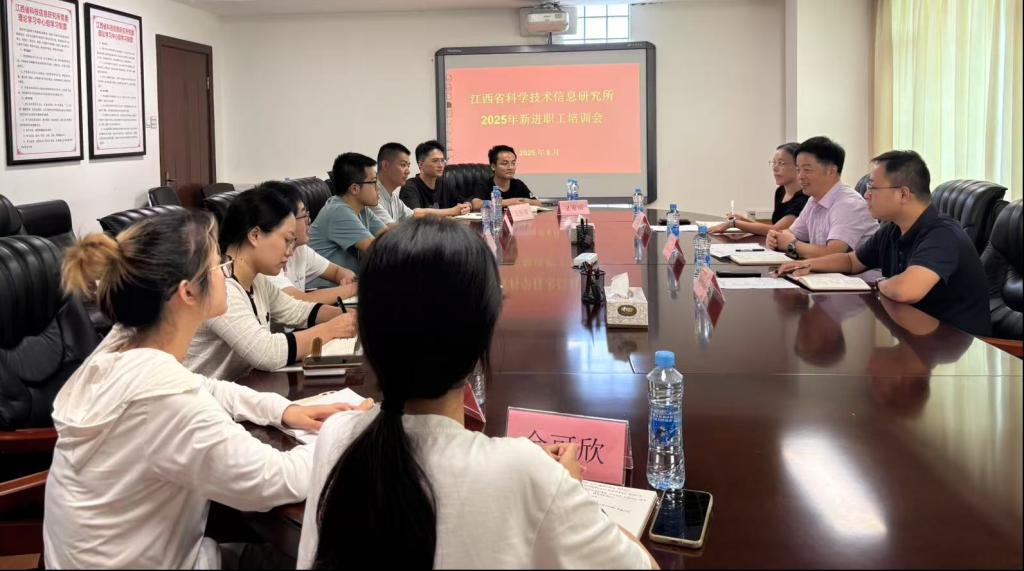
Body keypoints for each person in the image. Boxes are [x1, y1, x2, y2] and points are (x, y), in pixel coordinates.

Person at [296, 217, 658, 569]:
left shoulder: (338, 437)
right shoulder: (525, 473)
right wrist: (570, 491)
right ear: (483, 335)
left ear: (365, 331)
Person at [44, 209, 371, 569]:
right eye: (218, 266)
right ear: (187, 292)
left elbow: (205, 386)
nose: (227, 273)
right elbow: (275, 479)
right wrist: (346, 432)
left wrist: (283, 410)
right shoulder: (165, 401)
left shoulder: (122, 345)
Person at [774, 150, 991, 336]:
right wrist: (808, 265)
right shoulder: (893, 229)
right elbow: (852, 261)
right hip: (916, 334)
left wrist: (878, 284)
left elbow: (906, 290)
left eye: (873, 188)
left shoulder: (942, 234)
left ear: (903, 194)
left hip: (956, 344)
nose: (866, 195)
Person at [185, 189, 357, 382]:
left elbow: (296, 310)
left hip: (241, 387)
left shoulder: (257, 281)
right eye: (287, 240)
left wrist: (347, 316)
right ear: (255, 235)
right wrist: (332, 329)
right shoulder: (222, 286)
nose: (290, 252)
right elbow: (267, 352)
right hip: (202, 397)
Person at [766, 136, 878, 258]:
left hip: (858, 271)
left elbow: (834, 254)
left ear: (831, 171)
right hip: (821, 269)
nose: (800, 176)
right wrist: (775, 237)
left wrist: (792, 244)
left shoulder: (849, 204)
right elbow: (791, 233)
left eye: (807, 170)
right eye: (798, 170)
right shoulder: (813, 200)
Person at [263, 181, 358, 305]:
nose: (309, 220)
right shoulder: (267, 260)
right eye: (303, 215)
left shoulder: (300, 249)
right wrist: (353, 288)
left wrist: (348, 280)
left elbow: (337, 271)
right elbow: (299, 301)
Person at [309, 152, 389, 275]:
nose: (378, 187)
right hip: (328, 285)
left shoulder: (362, 209)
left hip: (348, 282)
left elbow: (389, 237)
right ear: (355, 189)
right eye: (373, 182)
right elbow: (379, 251)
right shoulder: (337, 211)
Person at [710, 142, 807, 235]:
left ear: (798, 166)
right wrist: (743, 220)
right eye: (774, 162)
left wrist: (734, 224)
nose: (775, 168)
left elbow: (777, 230)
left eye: (781, 163)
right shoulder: (781, 191)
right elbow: (772, 227)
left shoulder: (804, 197)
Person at [371, 142, 468, 223]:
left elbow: (412, 216)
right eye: (403, 165)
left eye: (408, 166)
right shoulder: (372, 196)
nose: (408, 171)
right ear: (386, 165)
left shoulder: (393, 197)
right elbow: (390, 231)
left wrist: (466, 206)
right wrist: (451, 211)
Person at [399, 140, 470, 212]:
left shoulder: (445, 183)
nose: (441, 165)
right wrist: (451, 211)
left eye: (442, 160)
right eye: (435, 161)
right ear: (421, 164)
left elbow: (463, 201)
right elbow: (416, 213)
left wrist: (467, 206)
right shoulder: (409, 187)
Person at [469, 144, 542, 211]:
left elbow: (538, 204)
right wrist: (509, 202)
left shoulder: (518, 184)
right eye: (505, 163)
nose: (510, 167)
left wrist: (523, 201)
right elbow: (476, 205)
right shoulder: (484, 185)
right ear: (493, 166)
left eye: (513, 163)